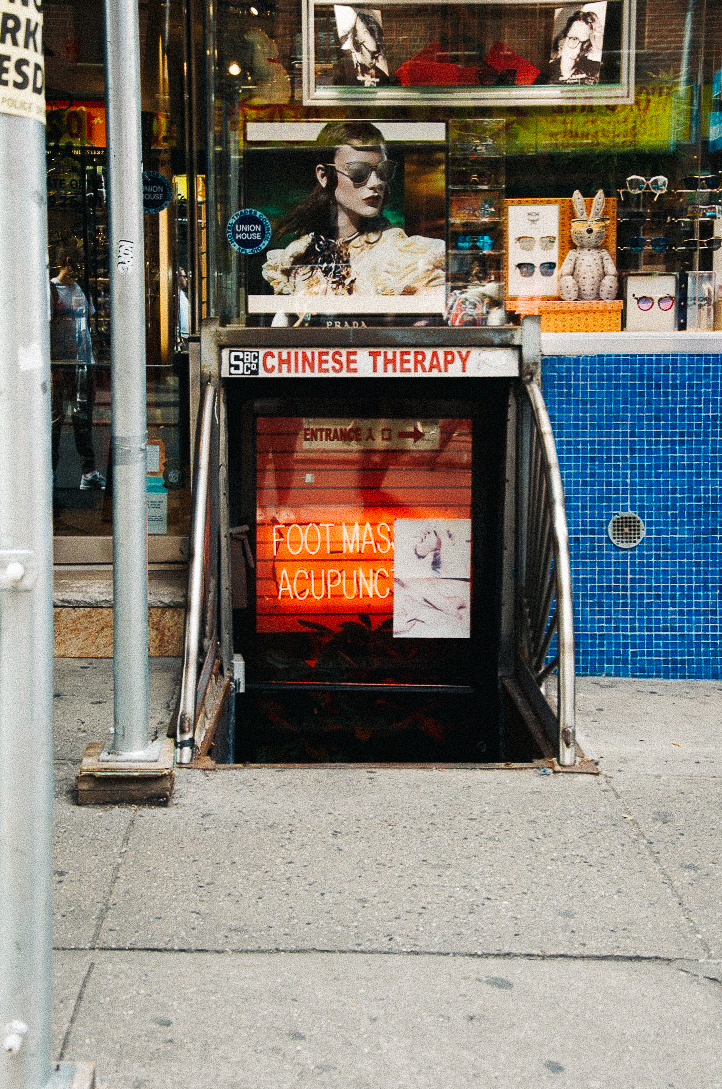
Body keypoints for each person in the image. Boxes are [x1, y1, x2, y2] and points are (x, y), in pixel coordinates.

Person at [261, 120, 445, 325]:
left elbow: (426, 329)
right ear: (324, 176)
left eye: (383, 171)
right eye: (358, 171)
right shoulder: (298, 254)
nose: (376, 183)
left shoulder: (399, 255)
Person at [50, 242, 105, 490]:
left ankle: (88, 471)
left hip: (81, 363)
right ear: (67, 262)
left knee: (82, 419)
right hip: (60, 364)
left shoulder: (79, 288)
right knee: (56, 419)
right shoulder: (52, 290)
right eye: (76, 264)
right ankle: (51, 470)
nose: (79, 270)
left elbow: (88, 321)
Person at [546, 9, 602, 85]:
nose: (578, 50)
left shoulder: (594, 71)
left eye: (585, 43)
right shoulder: (546, 72)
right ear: (562, 40)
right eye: (574, 39)